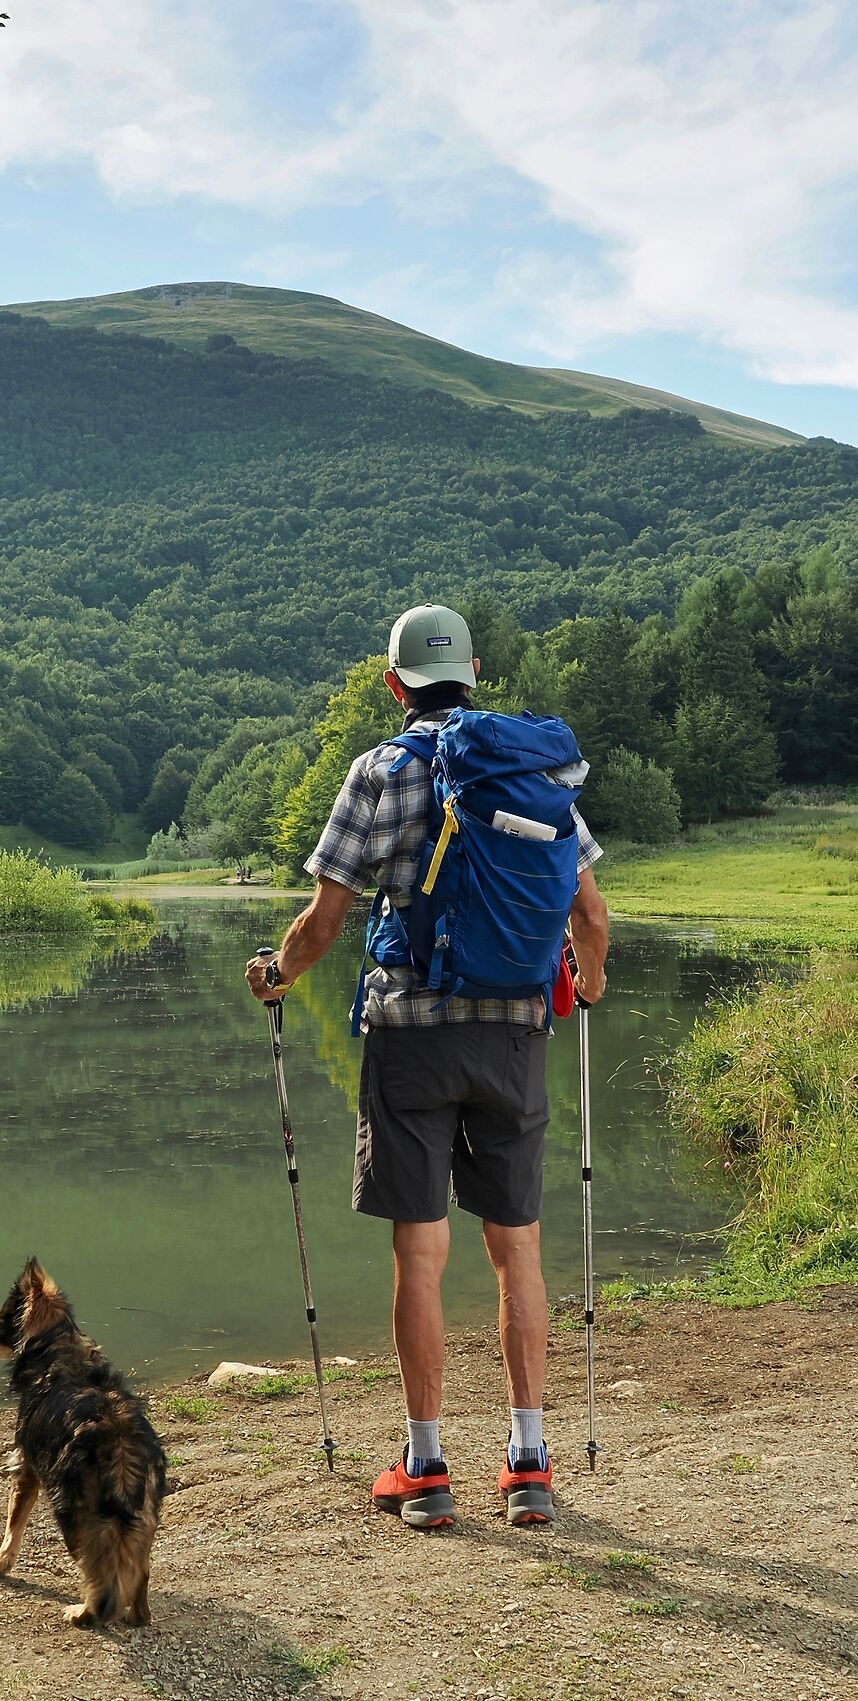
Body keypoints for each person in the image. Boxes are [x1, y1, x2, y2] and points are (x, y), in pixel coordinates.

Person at [244, 604, 609, 1530]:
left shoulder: (378, 770)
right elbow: (591, 916)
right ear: (474, 673)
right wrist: (590, 984)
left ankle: (427, 1466)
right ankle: (528, 1462)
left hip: (411, 1034)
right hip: (516, 1033)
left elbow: (325, 922)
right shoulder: (533, 772)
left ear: (392, 682)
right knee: (517, 1244)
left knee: (421, 1245)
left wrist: (277, 973)